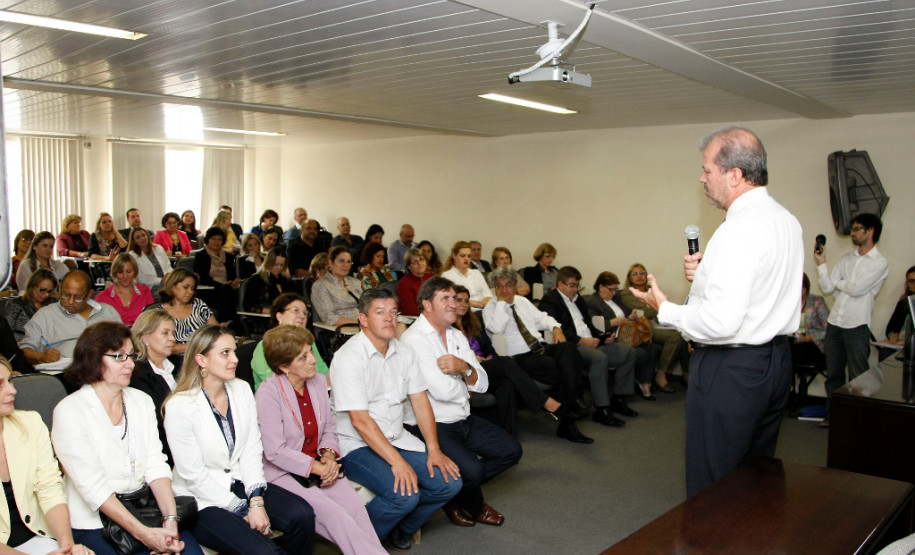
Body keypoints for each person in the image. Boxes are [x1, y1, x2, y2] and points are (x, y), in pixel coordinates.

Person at [629, 126, 803, 497]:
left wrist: (666, 309)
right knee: (755, 476)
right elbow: (762, 285)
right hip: (775, 363)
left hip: (732, 370)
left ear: (735, 175)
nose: (702, 178)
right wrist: (708, 272)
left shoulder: (737, 230)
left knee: (715, 483)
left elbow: (721, 322)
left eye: (708, 170)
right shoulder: (785, 220)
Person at [52, 322, 203, 555]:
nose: (131, 364)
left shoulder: (140, 400)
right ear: (93, 359)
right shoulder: (70, 410)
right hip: (97, 521)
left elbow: (155, 463)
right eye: (119, 357)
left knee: (190, 552)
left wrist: (171, 522)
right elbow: (94, 488)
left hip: (145, 508)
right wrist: (145, 534)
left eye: (131, 355)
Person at [163, 325, 315, 555]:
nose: (235, 359)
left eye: (234, 351)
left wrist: (256, 501)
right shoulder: (180, 406)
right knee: (265, 552)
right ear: (201, 360)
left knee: (302, 516)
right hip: (203, 498)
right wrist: (244, 510)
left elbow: (252, 450)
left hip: (243, 481)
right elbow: (193, 476)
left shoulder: (241, 389)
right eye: (225, 353)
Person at [329, 288, 462, 551]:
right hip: (355, 445)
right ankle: (359, 543)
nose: (389, 318)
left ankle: (401, 527)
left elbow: (420, 401)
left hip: (396, 437)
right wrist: (398, 463)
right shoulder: (349, 357)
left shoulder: (404, 352)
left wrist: (434, 450)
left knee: (448, 483)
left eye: (393, 312)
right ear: (363, 319)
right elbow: (360, 421)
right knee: (405, 494)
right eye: (380, 312)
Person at [401, 278, 521, 528]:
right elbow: (444, 391)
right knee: (473, 471)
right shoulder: (414, 340)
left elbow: (483, 383)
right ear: (426, 304)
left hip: (462, 417)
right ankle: (474, 505)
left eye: (455, 298)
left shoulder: (456, 334)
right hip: (434, 424)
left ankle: (453, 494)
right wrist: (466, 381)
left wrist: (463, 367)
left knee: (511, 451)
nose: (454, 304)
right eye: (445, 298)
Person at [256, 325, 385, 555]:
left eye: (311, 352)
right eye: (303, 357)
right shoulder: (268, 393)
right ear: (284, 366)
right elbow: (275, 451)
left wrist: (328, 455)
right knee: (337, 518)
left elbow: (328, 426)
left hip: (320, 464)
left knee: (356, 510)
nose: (313, 360)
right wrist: (318, 467)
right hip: (284, 473)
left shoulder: (316, 382)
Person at [482, 266, 593, 443]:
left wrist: (555, 327)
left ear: (516, 285)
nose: (504, 290)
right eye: (499, 286)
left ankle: (568, 407)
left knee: (568, 349)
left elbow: (543, 317)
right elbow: (496, 328)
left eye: (509, 285)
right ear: (495, 288)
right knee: (561, 369)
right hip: (520, 357)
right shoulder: (491, 307)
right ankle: (571, 410)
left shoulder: (522, 301)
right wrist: (502, 303)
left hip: (540, 347)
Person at [452, 285, 578, 440]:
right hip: (467, 370)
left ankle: (508, 437)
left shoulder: (472, 323)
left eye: (466, 300)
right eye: (459, 300)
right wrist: (472, 359)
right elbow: (448, 355)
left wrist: (490, 357)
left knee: (507, 384)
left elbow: (488, 347)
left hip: (485, 367)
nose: (464, 304)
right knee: (506, 362)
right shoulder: (447, 328)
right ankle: (546, 402)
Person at [0, 356, 92, 555]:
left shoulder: (30, 423)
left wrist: (67, 546)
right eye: (0, 385)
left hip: (35, 536)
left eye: (9, 381)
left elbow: (49, 488)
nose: (12, 390)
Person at [539, 267, 639, 427]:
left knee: (629, 353)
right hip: (572, 347)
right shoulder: (550, 301)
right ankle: (602, 409)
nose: (575, 289)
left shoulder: (578, 299)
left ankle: (619, 398)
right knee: (600, 358)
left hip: (591, 341)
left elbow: (589, 324)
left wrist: (602, 336)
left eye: (577, 285)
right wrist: (580, 341)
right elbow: (557, 329)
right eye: (571, 285)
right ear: (560, 284)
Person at [815, 212, 888, 426]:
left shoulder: (879, 262)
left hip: (857, 325)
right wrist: (822, 263)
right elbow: (828, 286)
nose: (852, 233)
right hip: (836, 322)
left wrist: (841, 282)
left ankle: (859, 419)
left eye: (857, 229)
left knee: (858, 375)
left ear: (870, 231)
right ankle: (834, 416)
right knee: (834, 374)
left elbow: (856, 290)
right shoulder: (847, 259)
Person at [585, 271, 661, 401]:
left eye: (616, 289)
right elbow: (592, 323)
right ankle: (636, 386)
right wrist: (612, 322)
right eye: (611, 289)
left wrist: (630, 317)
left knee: (653, 348)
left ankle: (644, 382)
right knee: (640, 353)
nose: (614, 292)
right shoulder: (592, 302)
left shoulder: (615, 299)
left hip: (628, 335)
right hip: (613, 338)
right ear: (601, 287)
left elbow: (626, 314)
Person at [21, 271, 121, 364]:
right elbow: (24, 349)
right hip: (65, 372)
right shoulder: (44, 316)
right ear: (60, 288)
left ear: (89, 294)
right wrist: (41, 356)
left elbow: (126, 343)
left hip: (107, 368)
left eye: (78, 297)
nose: (71, 301)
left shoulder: (108, 312)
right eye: (66, 295)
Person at [619, 263, 688, 392]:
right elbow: (647, 311)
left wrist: (655, 308)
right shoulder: (627, 293)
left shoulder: (651, 288)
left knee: (684, 332)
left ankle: (686, 373)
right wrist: (657, 308)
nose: (639, 276)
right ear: (629, 278)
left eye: (642, 273)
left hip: (659, 323)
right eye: (635, 274)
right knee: (676, 336)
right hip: (644, 327)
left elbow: (660, 307)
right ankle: (661, 374)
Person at [129, 309, 180, 465]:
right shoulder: (137, 375)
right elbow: (158, 421)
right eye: (165, 333)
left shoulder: (179, 365)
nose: (172, 338)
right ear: (145, 337)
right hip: (164, 449)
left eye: (173, 333)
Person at [248, 294, 329, 390]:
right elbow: (276, 384)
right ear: (279, 316)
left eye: (305, 313)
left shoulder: (308, 343)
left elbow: (323, 372)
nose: (302, 316)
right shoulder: (264, 346)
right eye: (295, 310)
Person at [150, 267, 217, 355]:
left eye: (192, 288)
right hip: (176, 361)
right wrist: (196, 345)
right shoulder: (160, 313)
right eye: (186, 287)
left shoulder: (199, 305)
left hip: (204, 356)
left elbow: (216, 332)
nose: (190, 292)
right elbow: (164, 347)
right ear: (172, 286)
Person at [193, 227, 241, 325]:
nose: (216, 242)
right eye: (213, 239)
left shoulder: (228, 256)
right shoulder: (201, 255)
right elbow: (201, 278)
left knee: (231, 291)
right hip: (209, 289)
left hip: (227, 288)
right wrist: (221, 285)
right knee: (226, 292)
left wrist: (234, 282)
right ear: (208, 240)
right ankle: (226, 323)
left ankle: (231, 324)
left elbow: (231, 275)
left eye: (219, 239)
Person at [93, 253, 155, 326]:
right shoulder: (101, 298)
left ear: (135, 272)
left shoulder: (145, 292)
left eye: (129, 272)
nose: (125, 276)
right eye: (120, 272)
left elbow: (152, 321)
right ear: (114, 273)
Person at [311, 246, 362, 327]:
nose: (346, 265)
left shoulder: (355, 282)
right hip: (341, 331)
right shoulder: (320, 285)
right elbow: (329, 318)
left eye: (349, 262)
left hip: (364, 325)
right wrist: (360, 322)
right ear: (331, 263)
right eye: (341, 261)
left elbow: (367, 306)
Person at [1, 268, 57, 341]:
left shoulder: (53, 304)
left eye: (50, 291)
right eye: (42, 290)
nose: (46, 295)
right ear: (32, 286)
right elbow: (6, 334)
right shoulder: (16, 305)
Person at [243, 247, 296, 314]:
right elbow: (248, 306)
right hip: (264, 319)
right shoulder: (256, 280)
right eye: (276, 264)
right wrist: (272, 312)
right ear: (268, 262)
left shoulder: (287, 281)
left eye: (282, 265)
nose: (279, 268)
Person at [792, 273, 830, 367]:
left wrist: (805, 339)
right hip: (794, 340)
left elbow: (828, 330)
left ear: (804, 290)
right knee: (779, 350)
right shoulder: (789, 302)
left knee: (789, 354)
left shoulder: (817, 301)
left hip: (813, 343)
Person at [440, 241, 490, 309]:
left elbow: (488, 295)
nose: (466, 259)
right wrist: (472, 303)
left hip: (484, 309)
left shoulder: (476, 273)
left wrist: (482, 303)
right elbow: (450, 299)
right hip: (465, 312)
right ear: (454, 256)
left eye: (469, 256)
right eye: (462, 256)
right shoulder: (447, 276)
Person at [127, 226, 172, 298]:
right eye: (138, 237)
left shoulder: (158, 248)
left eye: (143, 235)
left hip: (167, 282)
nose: (142, 238)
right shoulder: (133, 255)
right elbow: (140, 278)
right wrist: (161, 280)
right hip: (150, 287)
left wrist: (169, 277)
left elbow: (168, 266)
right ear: (134, 242)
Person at [882, 265, 915, 357]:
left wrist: (906, 342)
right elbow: (891, 327)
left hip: (910, 344)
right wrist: (893, 336)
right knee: (885, 352)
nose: (914, 284)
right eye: (911, 281)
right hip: (900, 346)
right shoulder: (903, 303)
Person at [397, 248, 436, 317]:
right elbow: (411, 311)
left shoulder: (433, 278)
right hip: (415, 320)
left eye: (421, 259)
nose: (419, 263)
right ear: (409, 267)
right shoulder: (404, 283)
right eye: (414, 261)